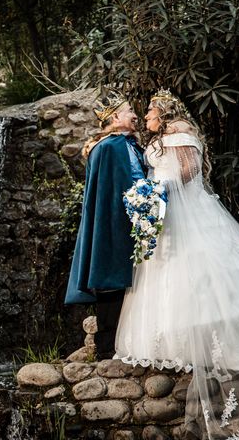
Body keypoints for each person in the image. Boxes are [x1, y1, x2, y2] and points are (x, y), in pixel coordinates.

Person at [115, 89, 239, 439]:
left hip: (187, 213)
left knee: (205, 273)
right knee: (170, 275)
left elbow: (189, 171)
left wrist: (154, 188)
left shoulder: (179, 129)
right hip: (168, 217)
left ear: (162, 112)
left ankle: (220, 337)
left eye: (149, 111)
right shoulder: (163, 134)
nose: (146, 117)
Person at [64, 89, 145, 359]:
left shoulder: (128, 144)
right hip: (114, 224)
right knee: (112, 283)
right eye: (130, 111)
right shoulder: (108, 148)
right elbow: (108, 194)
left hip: (134, 222)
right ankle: (106, 347)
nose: (136, 115)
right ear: (114, 117)